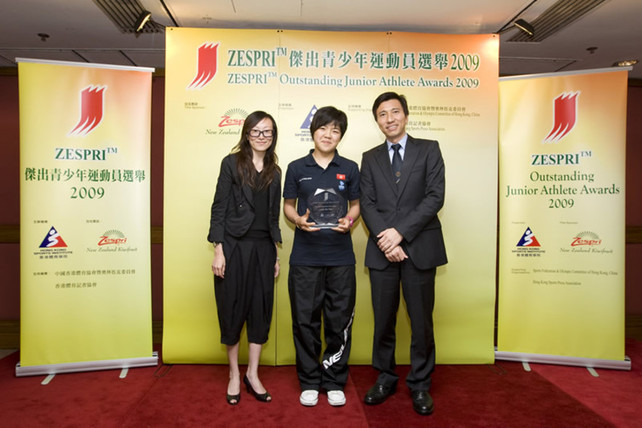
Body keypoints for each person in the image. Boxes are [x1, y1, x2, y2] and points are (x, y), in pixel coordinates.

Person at [359, 92, 447, 416]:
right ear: (377, 120)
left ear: (406, 116)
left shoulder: (429, 149)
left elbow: (435, 197)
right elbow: (366, 203)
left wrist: (401, 234)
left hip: (420, 248)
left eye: (395, 112)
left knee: (421, 322)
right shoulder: (369, 158)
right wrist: (387, 241)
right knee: (383, 320)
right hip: (383, 252)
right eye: (382, 114)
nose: (389, 118)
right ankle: (385, 378)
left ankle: (421, 384)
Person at [283, 106, 360, 407]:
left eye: (335, 130)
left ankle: (334, 379)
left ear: (341, 135)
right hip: (305, 258)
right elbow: (288, 206)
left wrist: (350, 221)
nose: (328, 135)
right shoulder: (296, 167)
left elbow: (356, 205)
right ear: (313, 131)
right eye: (323, 129)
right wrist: (297, 220)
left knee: (338, 321)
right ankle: (310, 380)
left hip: (341, 257)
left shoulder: (350, 168)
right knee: (305, 321)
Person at [207, 111, 282, 405]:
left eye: (268, 132)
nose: (262, 137)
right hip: (235, 247)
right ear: (247, 133)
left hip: (264, 249)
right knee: (232, 308)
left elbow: (274, 215)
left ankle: (253, 373)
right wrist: (219, 249)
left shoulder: (276, 170)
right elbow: (219, 208)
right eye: (257, 131)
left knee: (260, 308)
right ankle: (234, 374)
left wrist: (275, 252)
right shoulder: (231, 164)